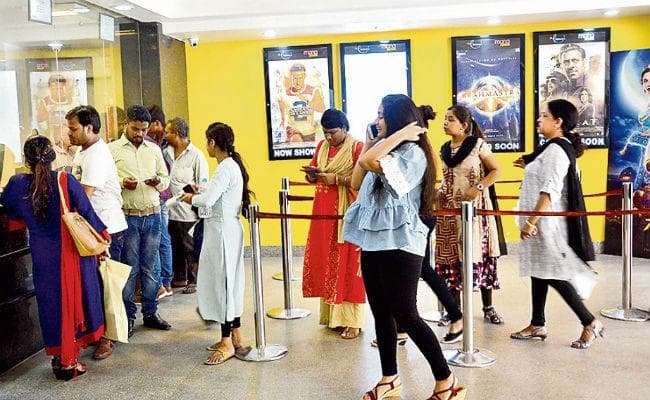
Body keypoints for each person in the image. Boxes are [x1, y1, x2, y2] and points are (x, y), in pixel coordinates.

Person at [343, 94, 466, 400]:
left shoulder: (413, 153)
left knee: (406, 314)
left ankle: (447, 381)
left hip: (402, 241)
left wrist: (399, 135)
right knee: (380, 312)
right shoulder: (384, 148)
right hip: (374, 240)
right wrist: (373, 141)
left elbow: (370, 163)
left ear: (398, 120)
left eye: (382, 115)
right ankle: (389, 378)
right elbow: (357, 179)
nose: (377, 121)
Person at [0, 136, 109, 380]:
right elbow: (87, 213)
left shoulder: (17, 184)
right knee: (75, 302)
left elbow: (9, 210)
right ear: (53, 157)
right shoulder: (66, 180)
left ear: (26, 160)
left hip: (42, 256)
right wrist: (104, 239)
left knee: (51, 306)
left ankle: (59, 358)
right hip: (71, 254)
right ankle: (70, 362)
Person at [511, 99, 603, 349]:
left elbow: (550, 190)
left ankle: (590, 321)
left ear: (558, 122)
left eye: (544, 115)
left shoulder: (556, 151)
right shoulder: (549, 149)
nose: (539, 119)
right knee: (540, 270)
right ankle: (537, 323)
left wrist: (531, 222)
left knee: (555, 273)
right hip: (542, 223)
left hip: (547, 224)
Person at [182, 122, 253, 365]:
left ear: (212, 142)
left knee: (223, 286)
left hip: (223, 233)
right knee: (229, 284)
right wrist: (201, 191)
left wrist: (191, 198)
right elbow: (216, 194)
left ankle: (226, 342)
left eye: (207, 141)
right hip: (226, 230)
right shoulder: (230, 165)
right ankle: (236, 336)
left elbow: (209, 200)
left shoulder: (225, 168)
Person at [67, 105, 128, 360]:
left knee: (108, 286)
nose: (69, 133)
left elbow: (84, 197)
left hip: (107, 229)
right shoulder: (83, 151)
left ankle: (109, 337)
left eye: (73, 129)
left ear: (89, 128)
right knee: (97, 285)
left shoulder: (97, 156)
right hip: (92, 230)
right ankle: (101, 331)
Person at [435, 104, 503, 325]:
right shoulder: (444, 149)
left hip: (475, 211)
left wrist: (478, 187)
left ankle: (488, 306)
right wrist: (436, 195)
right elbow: (447, 179)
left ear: (464, 125)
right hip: (450, 211)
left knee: (478, 254)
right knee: (452, 258)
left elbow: (496, 170)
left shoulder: (478, 145)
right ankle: (454, 311)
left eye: (451, 119)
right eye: (445, 118)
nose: (445, 123)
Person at [301, 108, 365, 339]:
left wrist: (336, 179)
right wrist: (313, 175)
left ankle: (352, 321)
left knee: (348, 265)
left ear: (345, 128)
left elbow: (363, 181)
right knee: (327, 261)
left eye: (333, 132)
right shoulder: (322, 146)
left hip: (346, 214)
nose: (328, 137)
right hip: (323, 213)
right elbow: (315, 172)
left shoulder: (357, 148)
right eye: (325, 132)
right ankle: (333, 317)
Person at [109, 105, 171, 336]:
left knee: (151, 267)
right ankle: (128, 317)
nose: (140, 133)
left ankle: (151, 313)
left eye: (144, 130)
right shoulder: (112, 150)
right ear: (126, 124)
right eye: (136, 129)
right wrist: (123, 183)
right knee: (130, 269)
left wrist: (158, 182)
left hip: (153, 215)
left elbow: (165, 179)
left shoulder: (153, 150)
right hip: (128, 217)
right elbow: (108, 182)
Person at [164, 117, 209, 295]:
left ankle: (194, 279)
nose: (165, 135)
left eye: (168, 132)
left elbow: (203, 184)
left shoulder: (196, 155)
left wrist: (192, 193)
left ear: (177, 134)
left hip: (187, 212)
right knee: (175, 247)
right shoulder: (165, 153)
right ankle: (180, 277)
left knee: (190, 248)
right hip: (169, 210)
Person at [146, 105, 174, 299]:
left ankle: (160, 284)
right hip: (163, 197)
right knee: (163, 239)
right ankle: (166, 282)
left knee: (156, 241)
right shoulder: (158, 143)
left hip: (157, 198)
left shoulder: (149, 145)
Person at [277, 63, 326, 143]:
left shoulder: (314, 90)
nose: (298, 82)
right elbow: (282, 119)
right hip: (293, 132)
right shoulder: (284, 94)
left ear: (305, 76)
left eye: (300, 78)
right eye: (295, 78)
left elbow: (322, 109)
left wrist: (305, 100)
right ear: (291, 77)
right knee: (296, 140)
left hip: (309, 132)